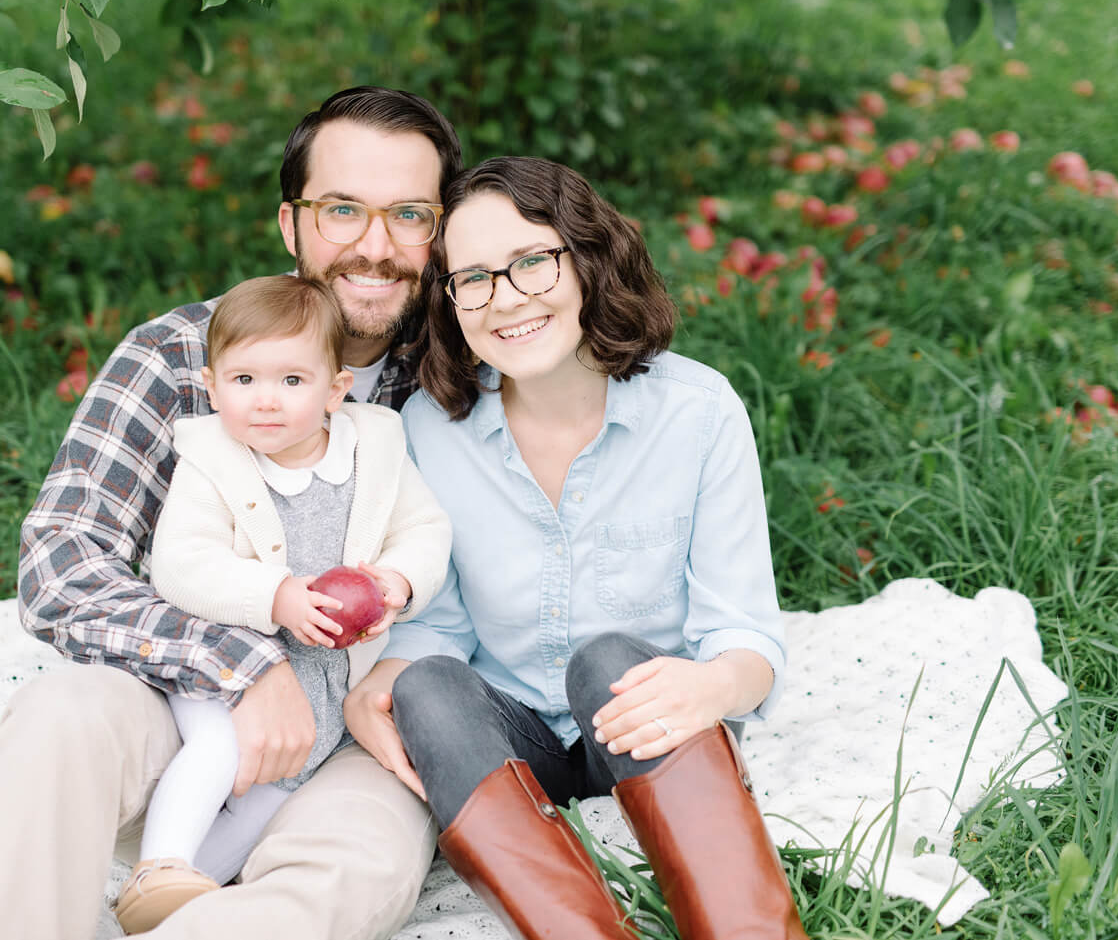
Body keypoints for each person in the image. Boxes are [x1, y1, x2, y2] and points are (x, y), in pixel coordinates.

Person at [0, 86, 462, 940]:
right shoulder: (183, 356)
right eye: (342, 210)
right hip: (186, 710)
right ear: (291, 226)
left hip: (360, 727)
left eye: (409, 214)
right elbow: (62, 563)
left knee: (363, 860)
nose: (375, 245)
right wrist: (241, 665)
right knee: (59, 718)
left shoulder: (468, 371)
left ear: (441, 233)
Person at [343, 157, 809, 940]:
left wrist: (714, 686)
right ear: (451, 299)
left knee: (608, 659)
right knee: (425, 683)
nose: (507, 298)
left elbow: (746, 632)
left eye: (532, 261)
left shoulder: (698, 413)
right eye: (475, 278)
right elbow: (442, 624)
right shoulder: (428, 427)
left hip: (644, 725)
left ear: (588, 259)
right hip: (511, 738)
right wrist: (379, 685)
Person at [112, 275, 450, 932]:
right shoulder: (212, 460)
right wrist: (274, 594)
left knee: (272, 795)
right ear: (213, 388)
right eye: (243, 381)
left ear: (335, 389)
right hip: (225, 667)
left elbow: (425, 528)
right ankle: (160, 863)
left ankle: (189, 898)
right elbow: (183, 564)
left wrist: (398, 581)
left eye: (292, 381)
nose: (265, 401)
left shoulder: (376, 446)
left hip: (324, 687)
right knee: (218, 751)